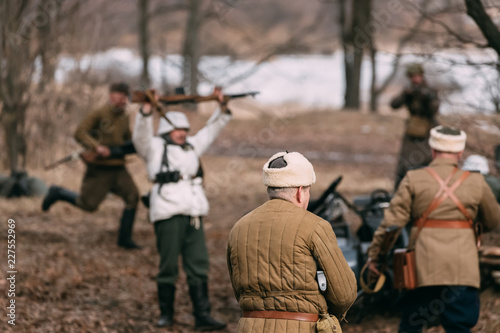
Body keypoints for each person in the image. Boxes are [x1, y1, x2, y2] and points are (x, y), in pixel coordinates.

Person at [367, 126, 500, 333]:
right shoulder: (477, 182)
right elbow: (493, 221)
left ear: (432, 149)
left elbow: (391, 226)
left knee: (411, 326)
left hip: (420, 269)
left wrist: (377, 258)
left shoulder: (413, 179)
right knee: (459, 328)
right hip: (462, 270)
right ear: (460, 152)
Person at [227, 151, 357, 333]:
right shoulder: (316, 226)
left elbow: (239, 289)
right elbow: (344, 293)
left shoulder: (238, 229)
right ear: (299, 192)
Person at [133, 89, 230, 330]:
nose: (182, 134)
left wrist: (222, 107)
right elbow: (140, 136)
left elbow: (211, 129)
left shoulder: (191, 146)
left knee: (198, 263)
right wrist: (146, 110)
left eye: (184, 130)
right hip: (167, 211)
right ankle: (166, 315)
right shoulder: (153, 147)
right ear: (167, 130)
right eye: (177, 130)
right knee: (168, 265)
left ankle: (202, 315)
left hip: (193, 211)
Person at [42, 82, 140, 249]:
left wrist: (136, 144)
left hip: (118, 166)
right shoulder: (99, 113)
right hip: (100, 168)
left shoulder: (124, 116)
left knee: (133, 197)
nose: (123, 100)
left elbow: (127, 138)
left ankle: (125, 240)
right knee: (88, 205)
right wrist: (97, 147)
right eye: (120, 96)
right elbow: (80, 132)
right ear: (111, 96)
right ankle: (58, 192)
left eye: (125, 97)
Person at [391, 63, 440, 190]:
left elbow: (434, 110)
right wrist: (405, 95)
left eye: (416, 76)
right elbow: (394, 105)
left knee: (429, 160)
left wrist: (427, 97)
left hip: (428, 130)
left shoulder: (430, 90)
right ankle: (401, 189)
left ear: (421, 76)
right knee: (405, 162)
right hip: (412, 130)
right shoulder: (408, 90)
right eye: (412, 76)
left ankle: (429, 189)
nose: (414, 79)